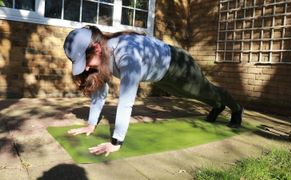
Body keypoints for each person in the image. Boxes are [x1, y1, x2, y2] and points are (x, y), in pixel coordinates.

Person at [63, 25, 243, 156]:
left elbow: (126, 100)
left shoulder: (126, 54)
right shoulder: (102, 54)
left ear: (96, 48)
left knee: (204, 90)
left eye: (85, 62)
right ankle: (217, 106)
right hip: (160, 74)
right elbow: (100, 91)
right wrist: (91, 124)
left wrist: (116, 141)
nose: (85, 69)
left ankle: (236, 108)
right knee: (187, 94)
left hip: (178, 64)